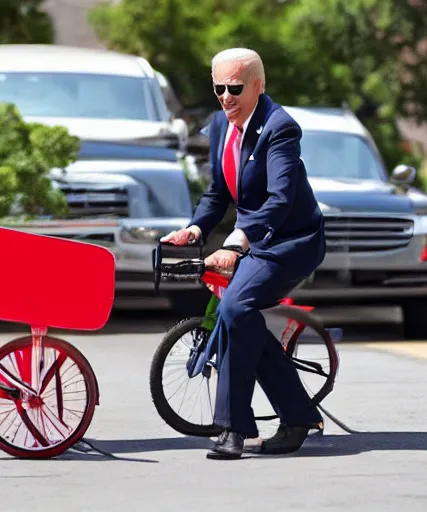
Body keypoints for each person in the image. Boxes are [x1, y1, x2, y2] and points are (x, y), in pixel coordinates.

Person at [161, 48, 326, 460]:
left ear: (258, 85)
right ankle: (297, 414)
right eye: (218, 88)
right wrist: (195, 227)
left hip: (292, 241)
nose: (225, 97)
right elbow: (218, 190)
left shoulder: (280, 128)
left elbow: (280, 199)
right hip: (255, 241)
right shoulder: (221, 125)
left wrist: (237, 242)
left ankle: (233, 428)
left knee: (235, 309)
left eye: (234, 88)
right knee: (240, 316)